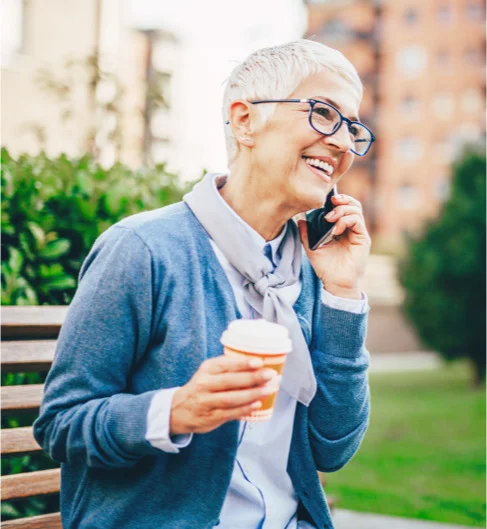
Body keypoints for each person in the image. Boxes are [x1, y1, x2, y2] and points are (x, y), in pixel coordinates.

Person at [34, 39, 373, 529]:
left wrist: (343, 295)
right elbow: (61, 426)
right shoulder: (143, 250)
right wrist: (175, 411)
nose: (343, 143)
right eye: (323, 113)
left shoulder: (317, 268)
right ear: (244, 120)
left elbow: (333, 448)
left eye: (354, 127)